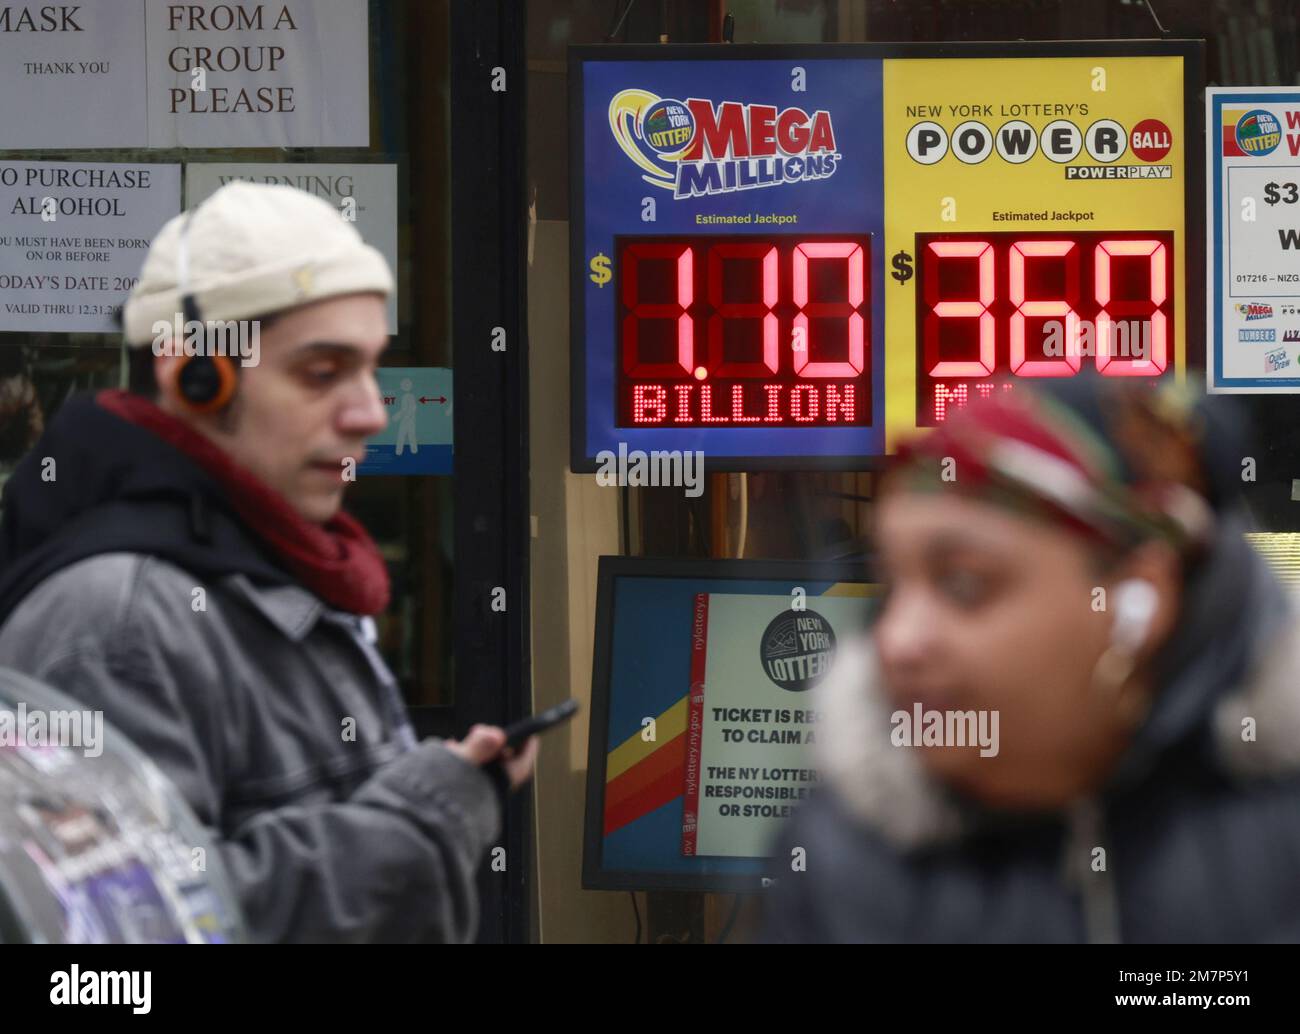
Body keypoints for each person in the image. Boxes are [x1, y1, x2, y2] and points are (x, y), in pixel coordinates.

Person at [0, 183, 537, 943]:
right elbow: (132, 937)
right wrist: (424, 817)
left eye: (371, 368)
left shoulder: (258, 574)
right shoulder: (121, 620)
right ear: (199, 377)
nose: (370, 412)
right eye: (322, 372)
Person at [762, 375, 1300, 942]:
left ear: (1141, 600)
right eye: (892, 585)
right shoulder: (838, 859)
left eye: (964, 584)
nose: (896, 640)